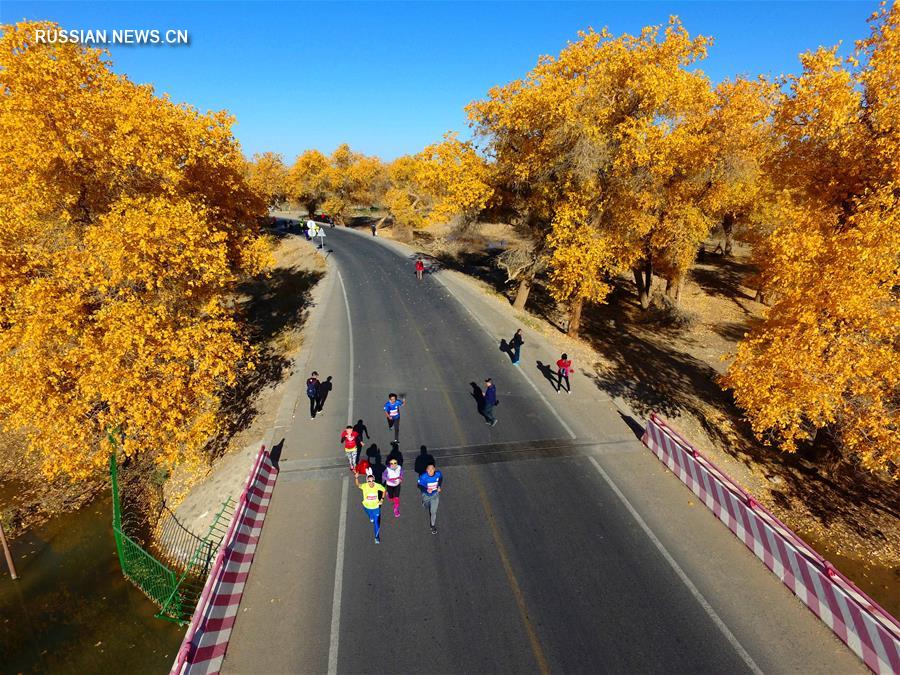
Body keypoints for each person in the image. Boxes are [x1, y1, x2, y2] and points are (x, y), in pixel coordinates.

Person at [355, 468, 386, 544]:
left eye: (372, 480)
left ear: (374, 480)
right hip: (366, 507)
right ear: (367, 481)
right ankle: (371, 517)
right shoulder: (365, 486)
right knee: (370, 516)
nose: (371, 482)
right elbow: (358, 485)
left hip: (376, 507)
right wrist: (356, 478)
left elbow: (384, 490)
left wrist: (382, 499)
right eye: (369, 481)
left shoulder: (377, 485)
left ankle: (376, 537)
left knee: (376, 523)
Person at [417, 462, 443, 534]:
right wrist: (426, 490)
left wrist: (439, 486)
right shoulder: (423, 477)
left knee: (433, 512)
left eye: (432, 469)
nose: (431, 470)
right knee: (426, 505)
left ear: (434, 469)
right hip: (426, 495)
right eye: (429, 469)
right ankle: (425, 503)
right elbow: (419, 486)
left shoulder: (438, 474)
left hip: (435, 495)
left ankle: (432, 526)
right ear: (426, 470)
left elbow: (440, 479)